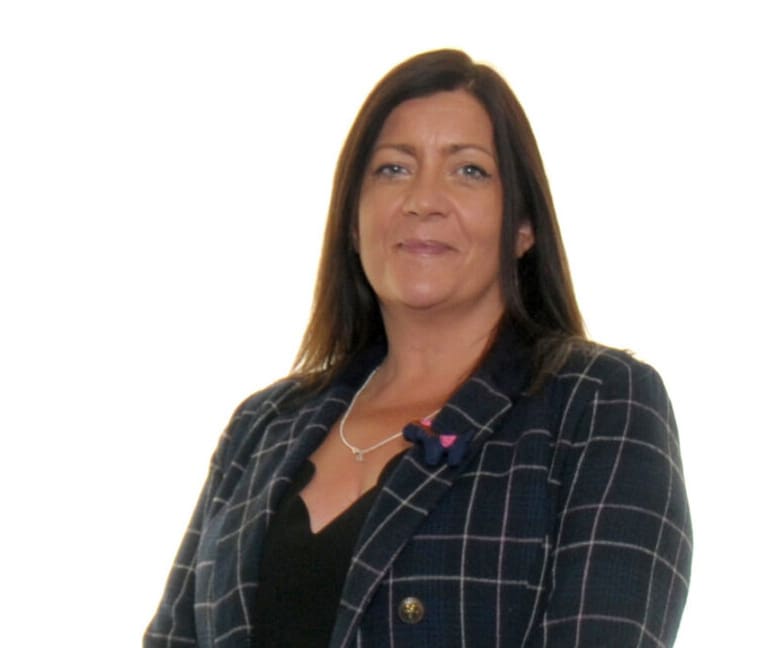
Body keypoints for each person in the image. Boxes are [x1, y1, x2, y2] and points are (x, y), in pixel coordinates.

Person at [144, 49, 692, 647]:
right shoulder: (260, 428)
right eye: (393, 169)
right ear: (353, 223)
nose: (423, 199)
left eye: (469, 170)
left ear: (523, 226)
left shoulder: (598, 406)